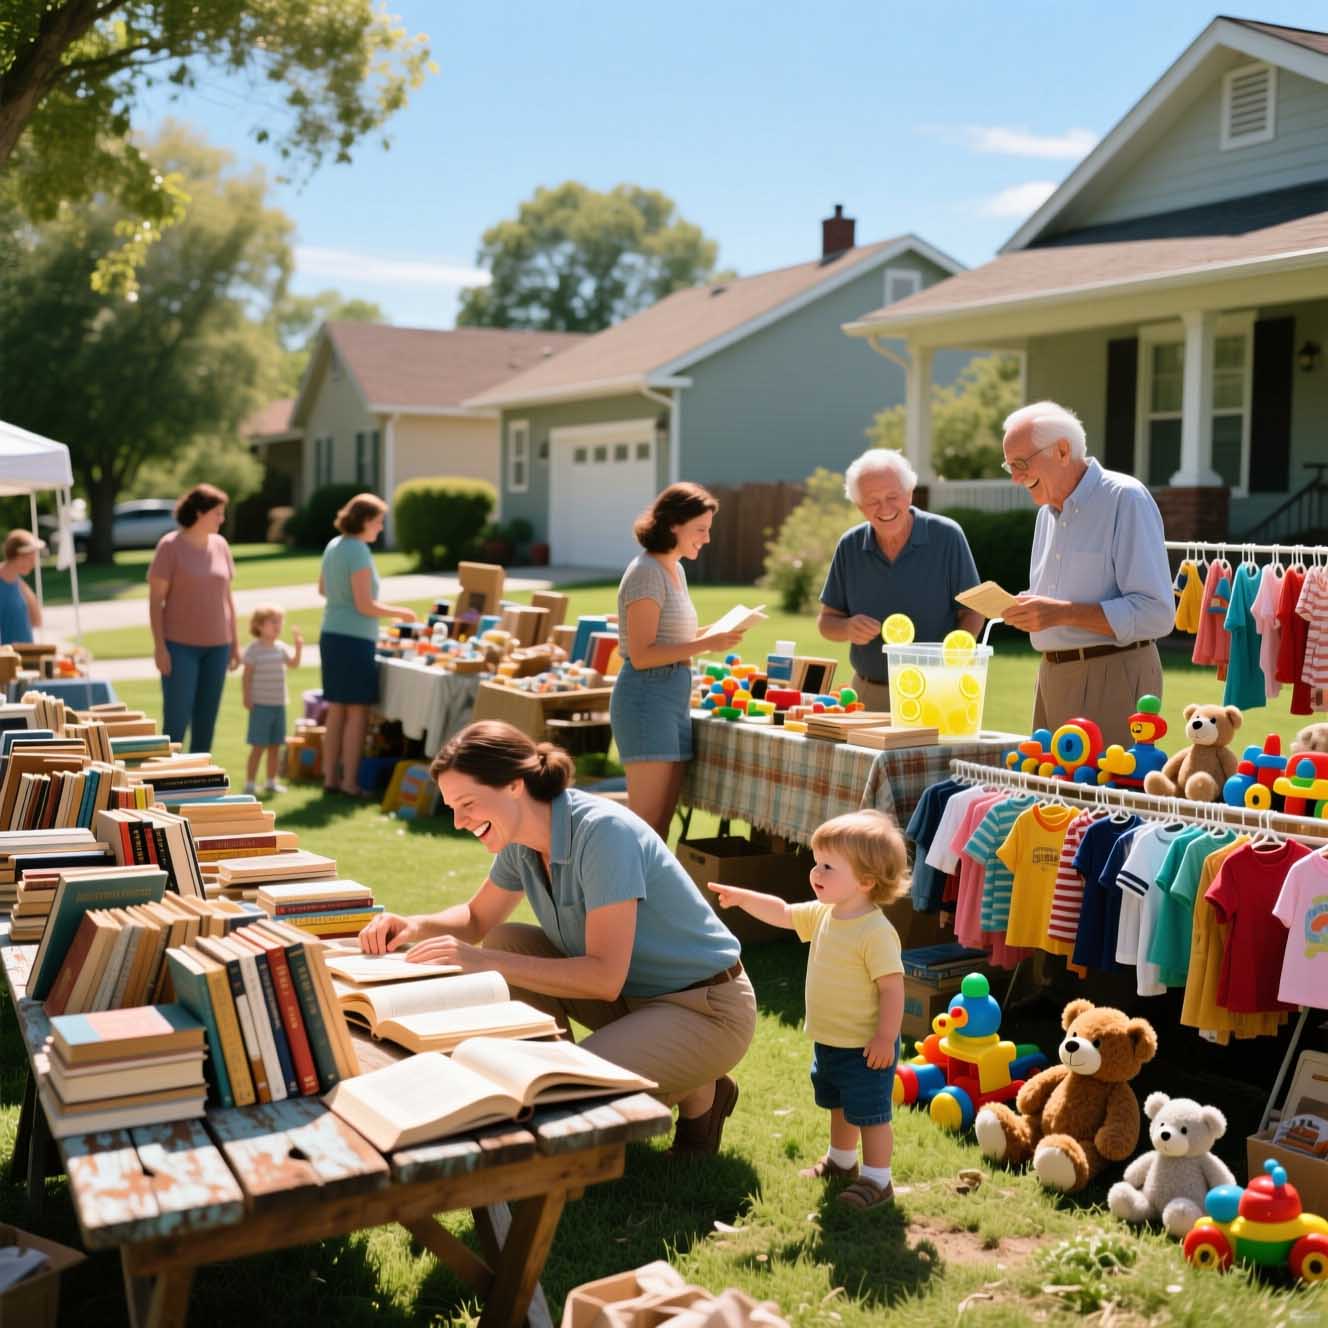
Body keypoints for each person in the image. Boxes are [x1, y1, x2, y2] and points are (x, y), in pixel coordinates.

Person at [359, 720, 757, 1155]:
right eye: (452, 807)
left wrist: (480, 961)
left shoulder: (604, 834)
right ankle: (612, 1081)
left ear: (514, 785)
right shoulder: (519, 837)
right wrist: (414, 926)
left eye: (467, 803)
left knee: (562, 1088)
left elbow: (604, 977)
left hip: (706, 1008)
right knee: (508, 940)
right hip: (636, 996)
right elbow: (477, 918)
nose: (458, 821)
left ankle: (689, 1087)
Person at [708, 809, 906, 1210]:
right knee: (838, 1104)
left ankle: (877, 1180)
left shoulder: (875, 932)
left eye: (828, 866)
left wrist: (885, 1036)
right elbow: (782, 912)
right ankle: (842, 1162)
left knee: (870, 1114)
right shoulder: (824, 915)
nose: (816, 872)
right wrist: (743, 898)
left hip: (867, 1046)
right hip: (831, 1039)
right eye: (816, 862)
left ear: (866, 881)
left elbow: (892, 988)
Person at [999, 401, 1173, 749]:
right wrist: (1032, 610)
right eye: (1009, 466)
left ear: (1062, 450)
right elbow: (1057, 603)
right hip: (1051, 678)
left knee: (1105, 801)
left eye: (1021, 464)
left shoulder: (1125, 498)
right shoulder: (1045, 513)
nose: (1015, 477)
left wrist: (1061, 612)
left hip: (1114, 675)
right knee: (1049, 801)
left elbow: (1157, 614)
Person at [610, 483, 749, 839]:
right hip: (646, 700)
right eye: (700, 530)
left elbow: (672, 636)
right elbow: (642, 655)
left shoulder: (675, 569)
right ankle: (625, 895)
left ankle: (649, 895)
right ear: (674, 525)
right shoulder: (645, 572)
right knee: (645, 827)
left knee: (662, 824)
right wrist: (707, 643)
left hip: (671, 700)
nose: (706, 539)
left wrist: (718, 631)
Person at [817, 449, 982, 713]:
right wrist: (847, 628)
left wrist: (952, 658)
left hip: (935, 690)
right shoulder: (849, 545)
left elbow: (973, 611)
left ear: (909, 492)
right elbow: (826, 622)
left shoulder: (947, 536)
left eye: (892, 496)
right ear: (859, 506)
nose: (885, 508)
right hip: (867, 693)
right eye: (872, 501)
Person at [317, 492, 416, 797]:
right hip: (354, 638)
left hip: (331, 633)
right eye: (378, 521)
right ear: (363, 521)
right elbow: (364, 604)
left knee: (336, 710)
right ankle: (349, 783)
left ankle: (330, 779)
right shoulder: (358, 549)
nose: (381, 527)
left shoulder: (334, 545)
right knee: (357, 712)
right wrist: (401, 612)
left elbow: (323, 589)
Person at [147, 484, 239, 753]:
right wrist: (160, 647)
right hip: (179, 647)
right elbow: (155, 602)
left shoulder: (221, 545)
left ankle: (202, 788)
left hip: (218, 647)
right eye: (217, 513)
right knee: (176, 723)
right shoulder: (169, 546)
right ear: (199, 512)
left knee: (206, 721)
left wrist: (235, 643)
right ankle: (168, 786)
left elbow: (228, 599)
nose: (222, 519)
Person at [242, 604, 303, 796]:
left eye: (280, 622)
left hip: (278, 705)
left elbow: (293, 664)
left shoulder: (281, 648)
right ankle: (250, 783)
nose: (278, 626)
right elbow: (247, 676)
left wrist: (299, 648)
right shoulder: (253, 650)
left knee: (275, 746)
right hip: (260, 706)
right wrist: (247, 696)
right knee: (258, 747)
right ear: (259, 626)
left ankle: (270, 781)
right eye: (273, 622)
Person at [0, 530, 45, 644]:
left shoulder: (20, 584)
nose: (34, 563)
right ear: (19, 556)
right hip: (5, 659)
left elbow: (37, 621)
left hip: (25, 656)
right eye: (31, 558)